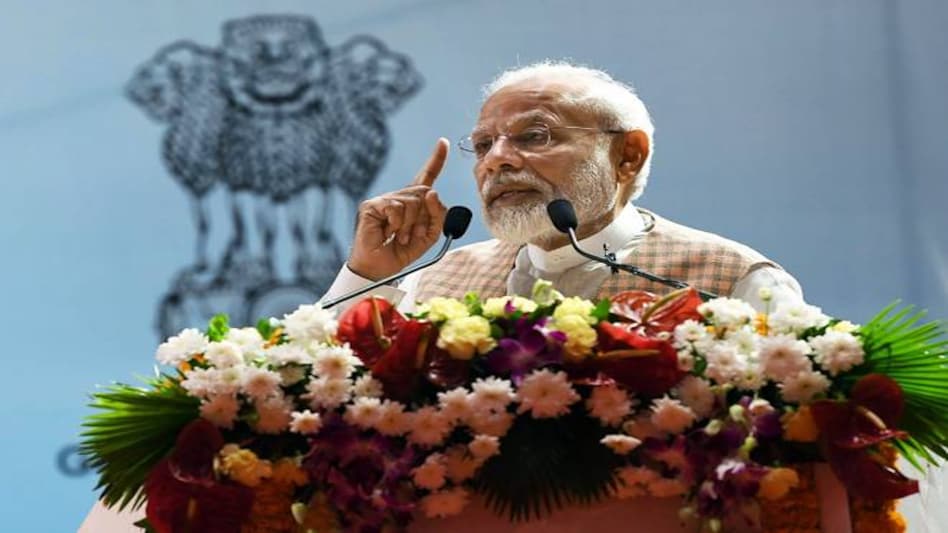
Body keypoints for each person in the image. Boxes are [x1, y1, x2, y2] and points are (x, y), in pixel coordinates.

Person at [323, 61, 803, 312]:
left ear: (627, 155)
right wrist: (368, 274)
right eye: (485, 144)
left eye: (535, 136)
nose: (498, 160)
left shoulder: (731, 280)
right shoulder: (435, 280)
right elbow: (308, 399)